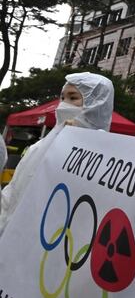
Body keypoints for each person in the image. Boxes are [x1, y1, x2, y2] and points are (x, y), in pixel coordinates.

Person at [0, 72, 114, 236]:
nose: (63, 105)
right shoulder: (38, 147)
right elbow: (14, 191)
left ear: (96, 104)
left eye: (73, 98)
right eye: (62, 98)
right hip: (15, 237)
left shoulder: (106, 155)